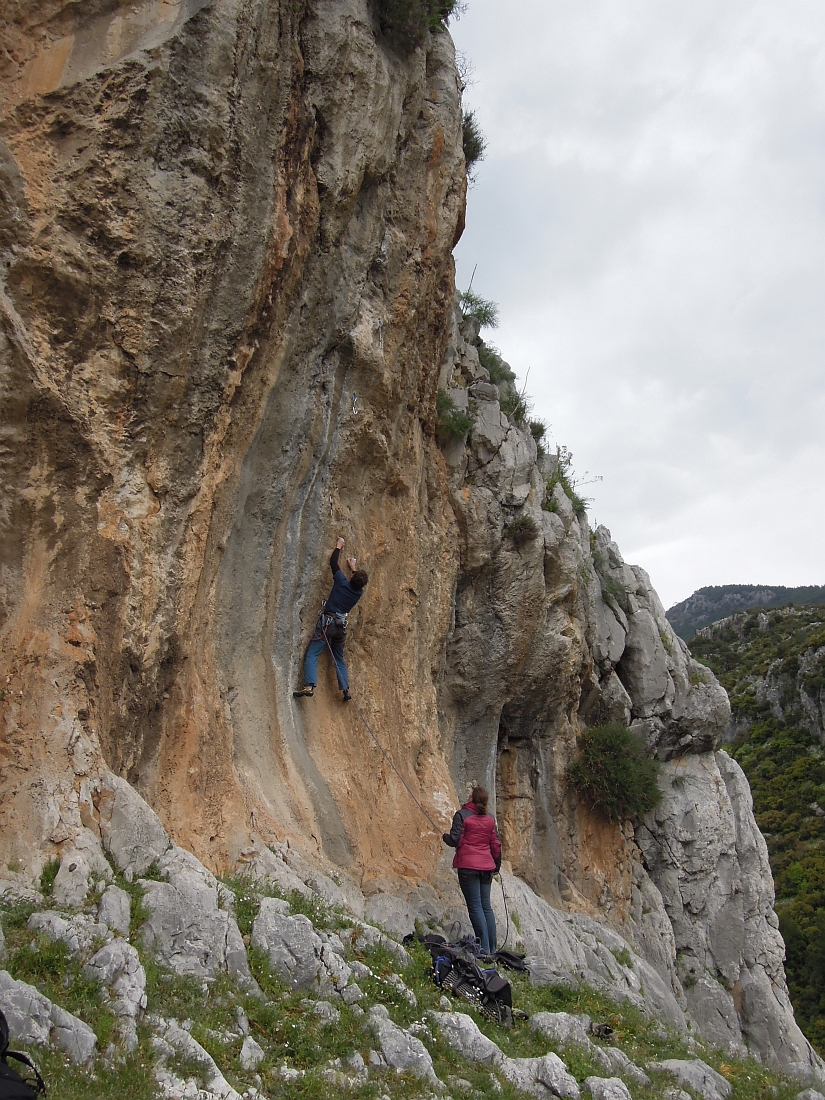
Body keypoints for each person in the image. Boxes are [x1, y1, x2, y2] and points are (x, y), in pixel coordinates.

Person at [293, 537, 368, 702]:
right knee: (338, 658)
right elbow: (358, 582)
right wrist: (353, 568)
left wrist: (338, 547)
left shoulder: (341, 582)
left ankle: (309, 687)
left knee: (313, 653)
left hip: (327, 623)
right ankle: (346, 689)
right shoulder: (358, 593)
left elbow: (333, 563)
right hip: (340, 628)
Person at [442, 785, 501, 955]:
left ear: (471, 798)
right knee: (486, 906)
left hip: (468, 867)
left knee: (475, 906)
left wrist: (444, 837)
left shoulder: (462, 815)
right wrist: (496, 865)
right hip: (487, 867)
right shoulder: (490, 819)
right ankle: (492, 949)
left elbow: (454, 839)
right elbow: (495, 845)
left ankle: (483, 950)